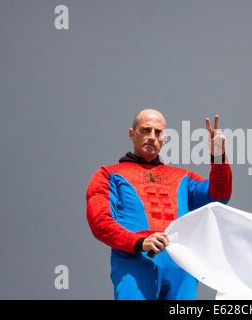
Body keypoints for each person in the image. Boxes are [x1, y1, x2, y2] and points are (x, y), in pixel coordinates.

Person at [86, 108, 233, 300]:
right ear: (132, 134)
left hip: (180, 269)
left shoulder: (182, 177)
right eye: (146, 130)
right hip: (136, 263)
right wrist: (139, 242)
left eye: (158, 132)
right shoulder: (108, 174)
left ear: (164, 139)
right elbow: (100, 222)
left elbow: (219, 195)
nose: (152, 137)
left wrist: (218, 157)